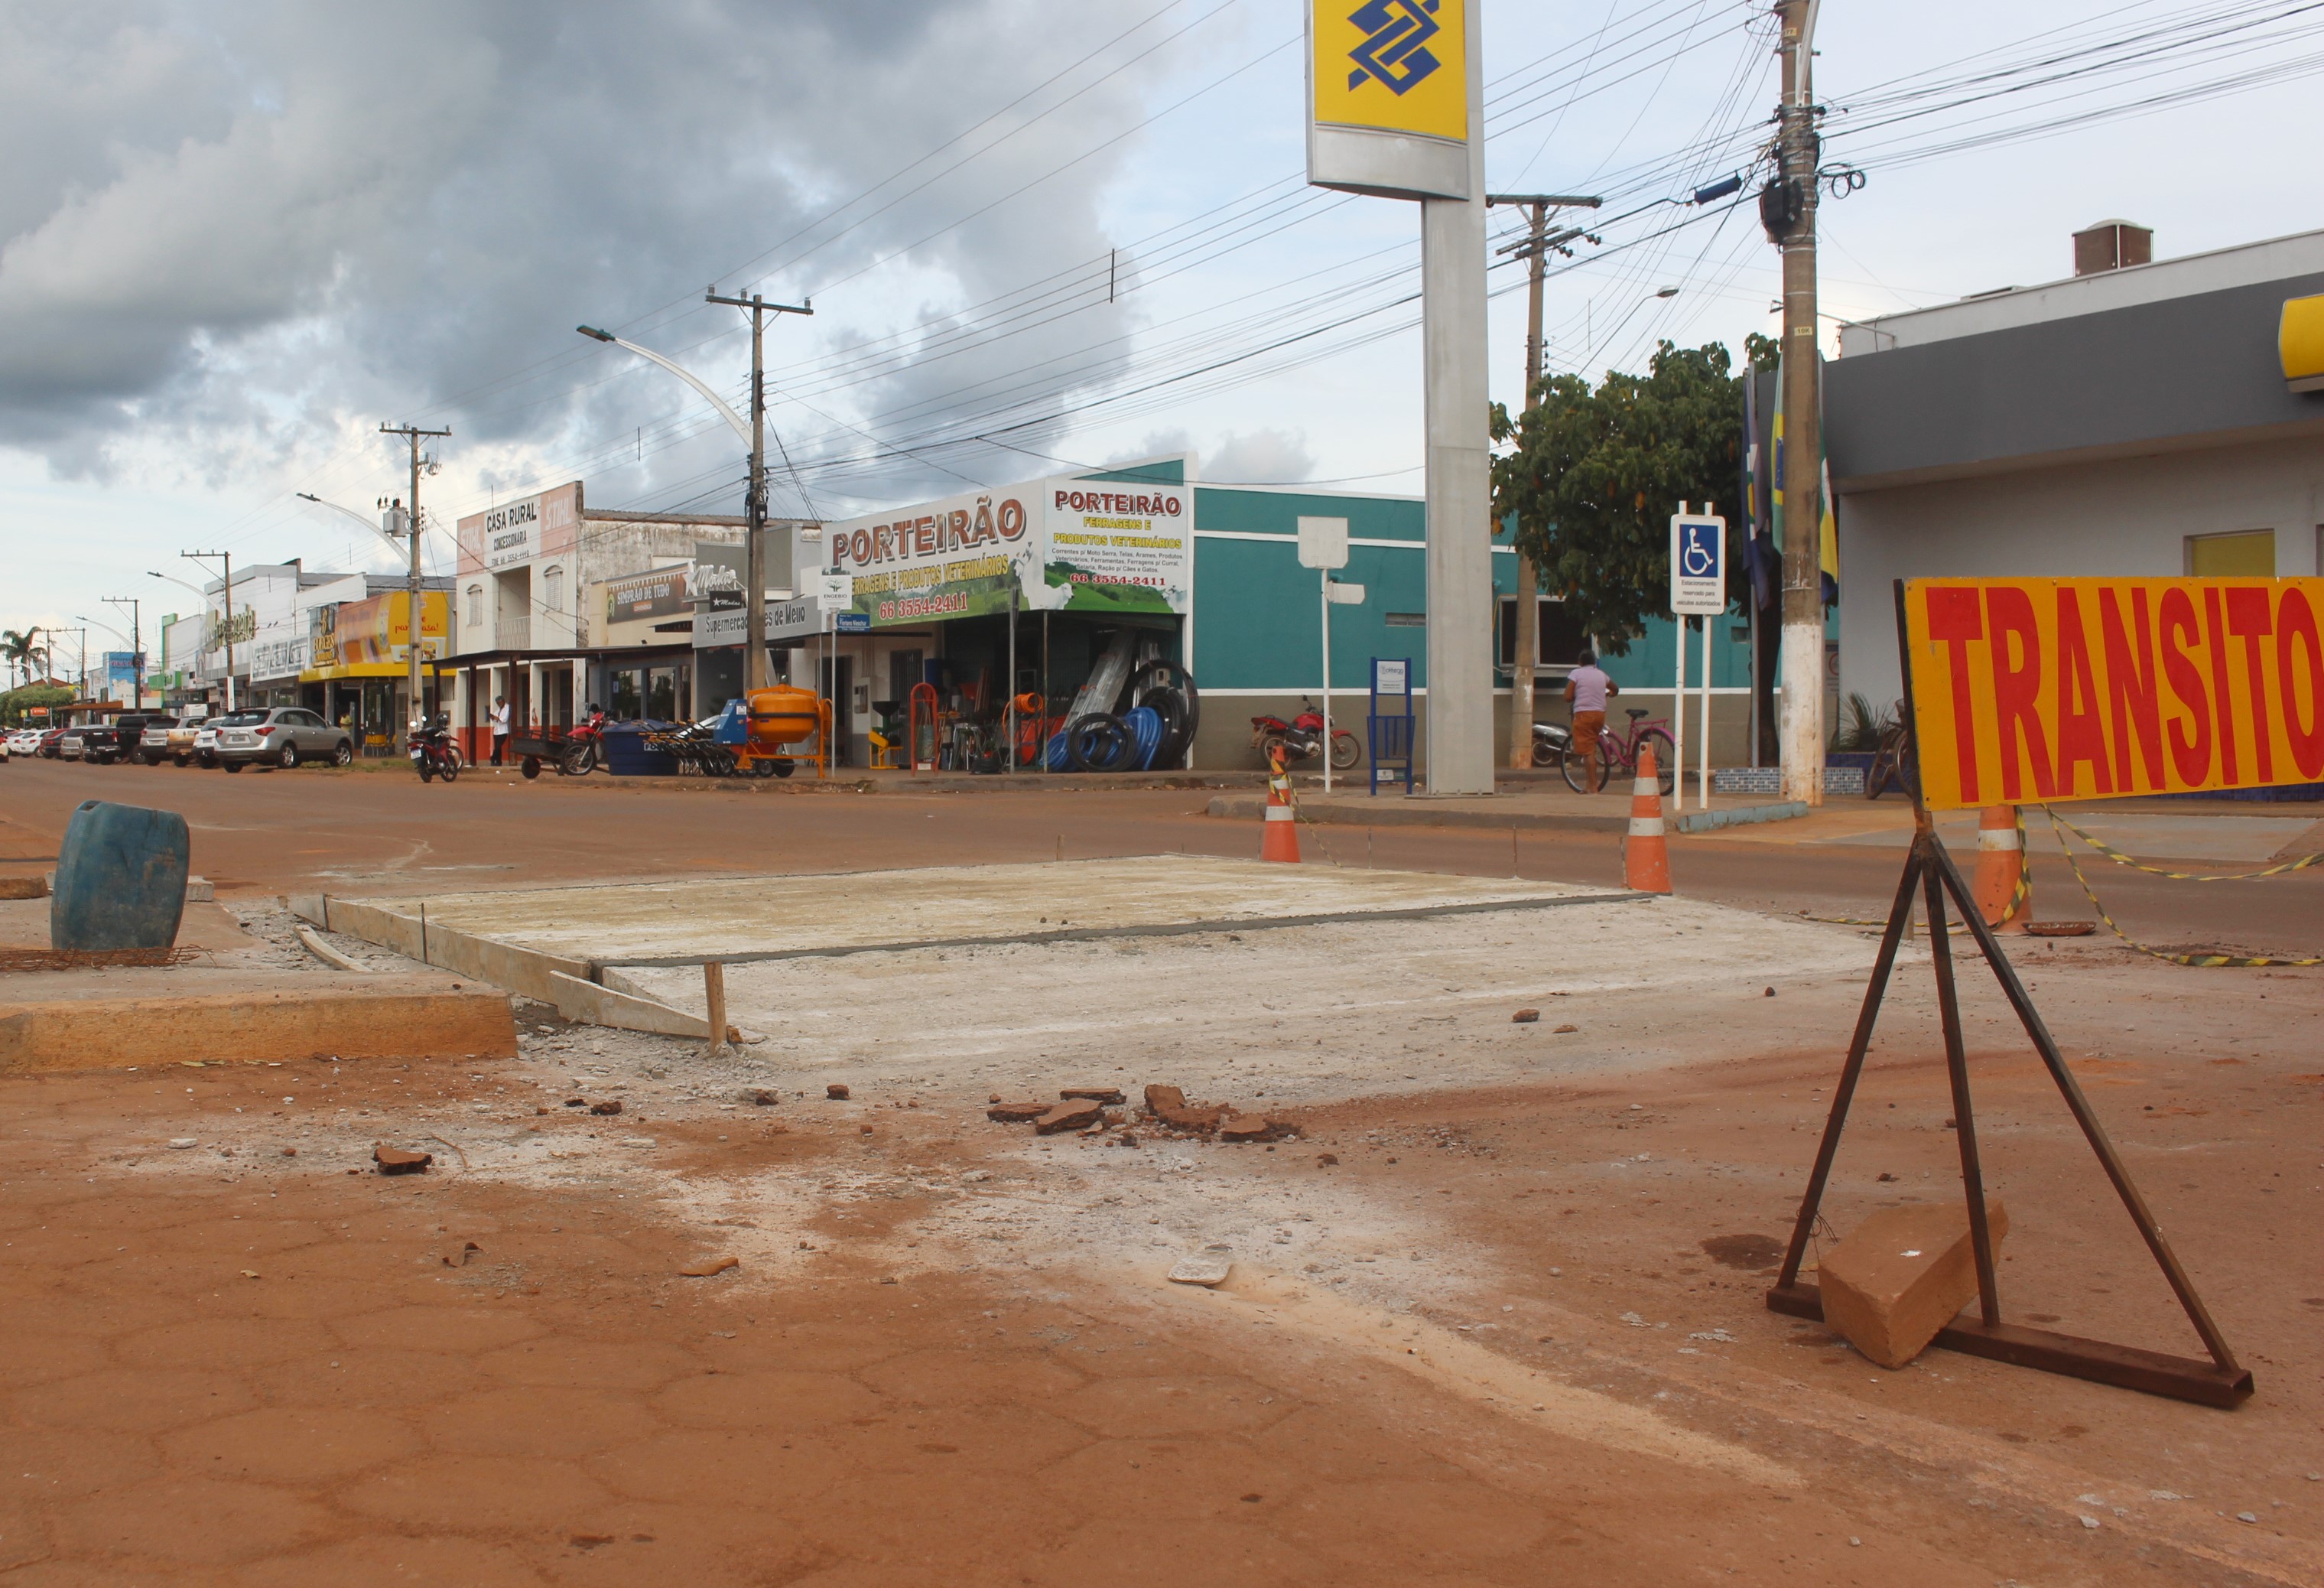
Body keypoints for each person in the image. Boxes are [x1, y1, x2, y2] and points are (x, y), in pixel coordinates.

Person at [1564, 649, 1617, 793]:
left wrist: (1577, 696)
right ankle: (1591, 785)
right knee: (1591, 747)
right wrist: (1607, 694)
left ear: (1580, 662)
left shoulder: (1576, 673)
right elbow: (1616, 689)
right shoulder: (1601, 674)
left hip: (1584, 715)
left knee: (1588, 752)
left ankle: (1592, 786)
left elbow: (1567, 697)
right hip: (1599, 715)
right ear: (1594, 662)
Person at [489, 695, 510, 766]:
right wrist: (493, 717)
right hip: (496, 731)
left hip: (503, 731)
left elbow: (504, 719)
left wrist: (496, 718)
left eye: (500, 702)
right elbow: (495, 719)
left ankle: (492, 758)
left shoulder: (507, 708)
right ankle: (498, 762)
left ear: (503, 701)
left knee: (498, 747)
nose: (499, 704)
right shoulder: (498, 710)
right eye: (498, 703)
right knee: (498, 748)